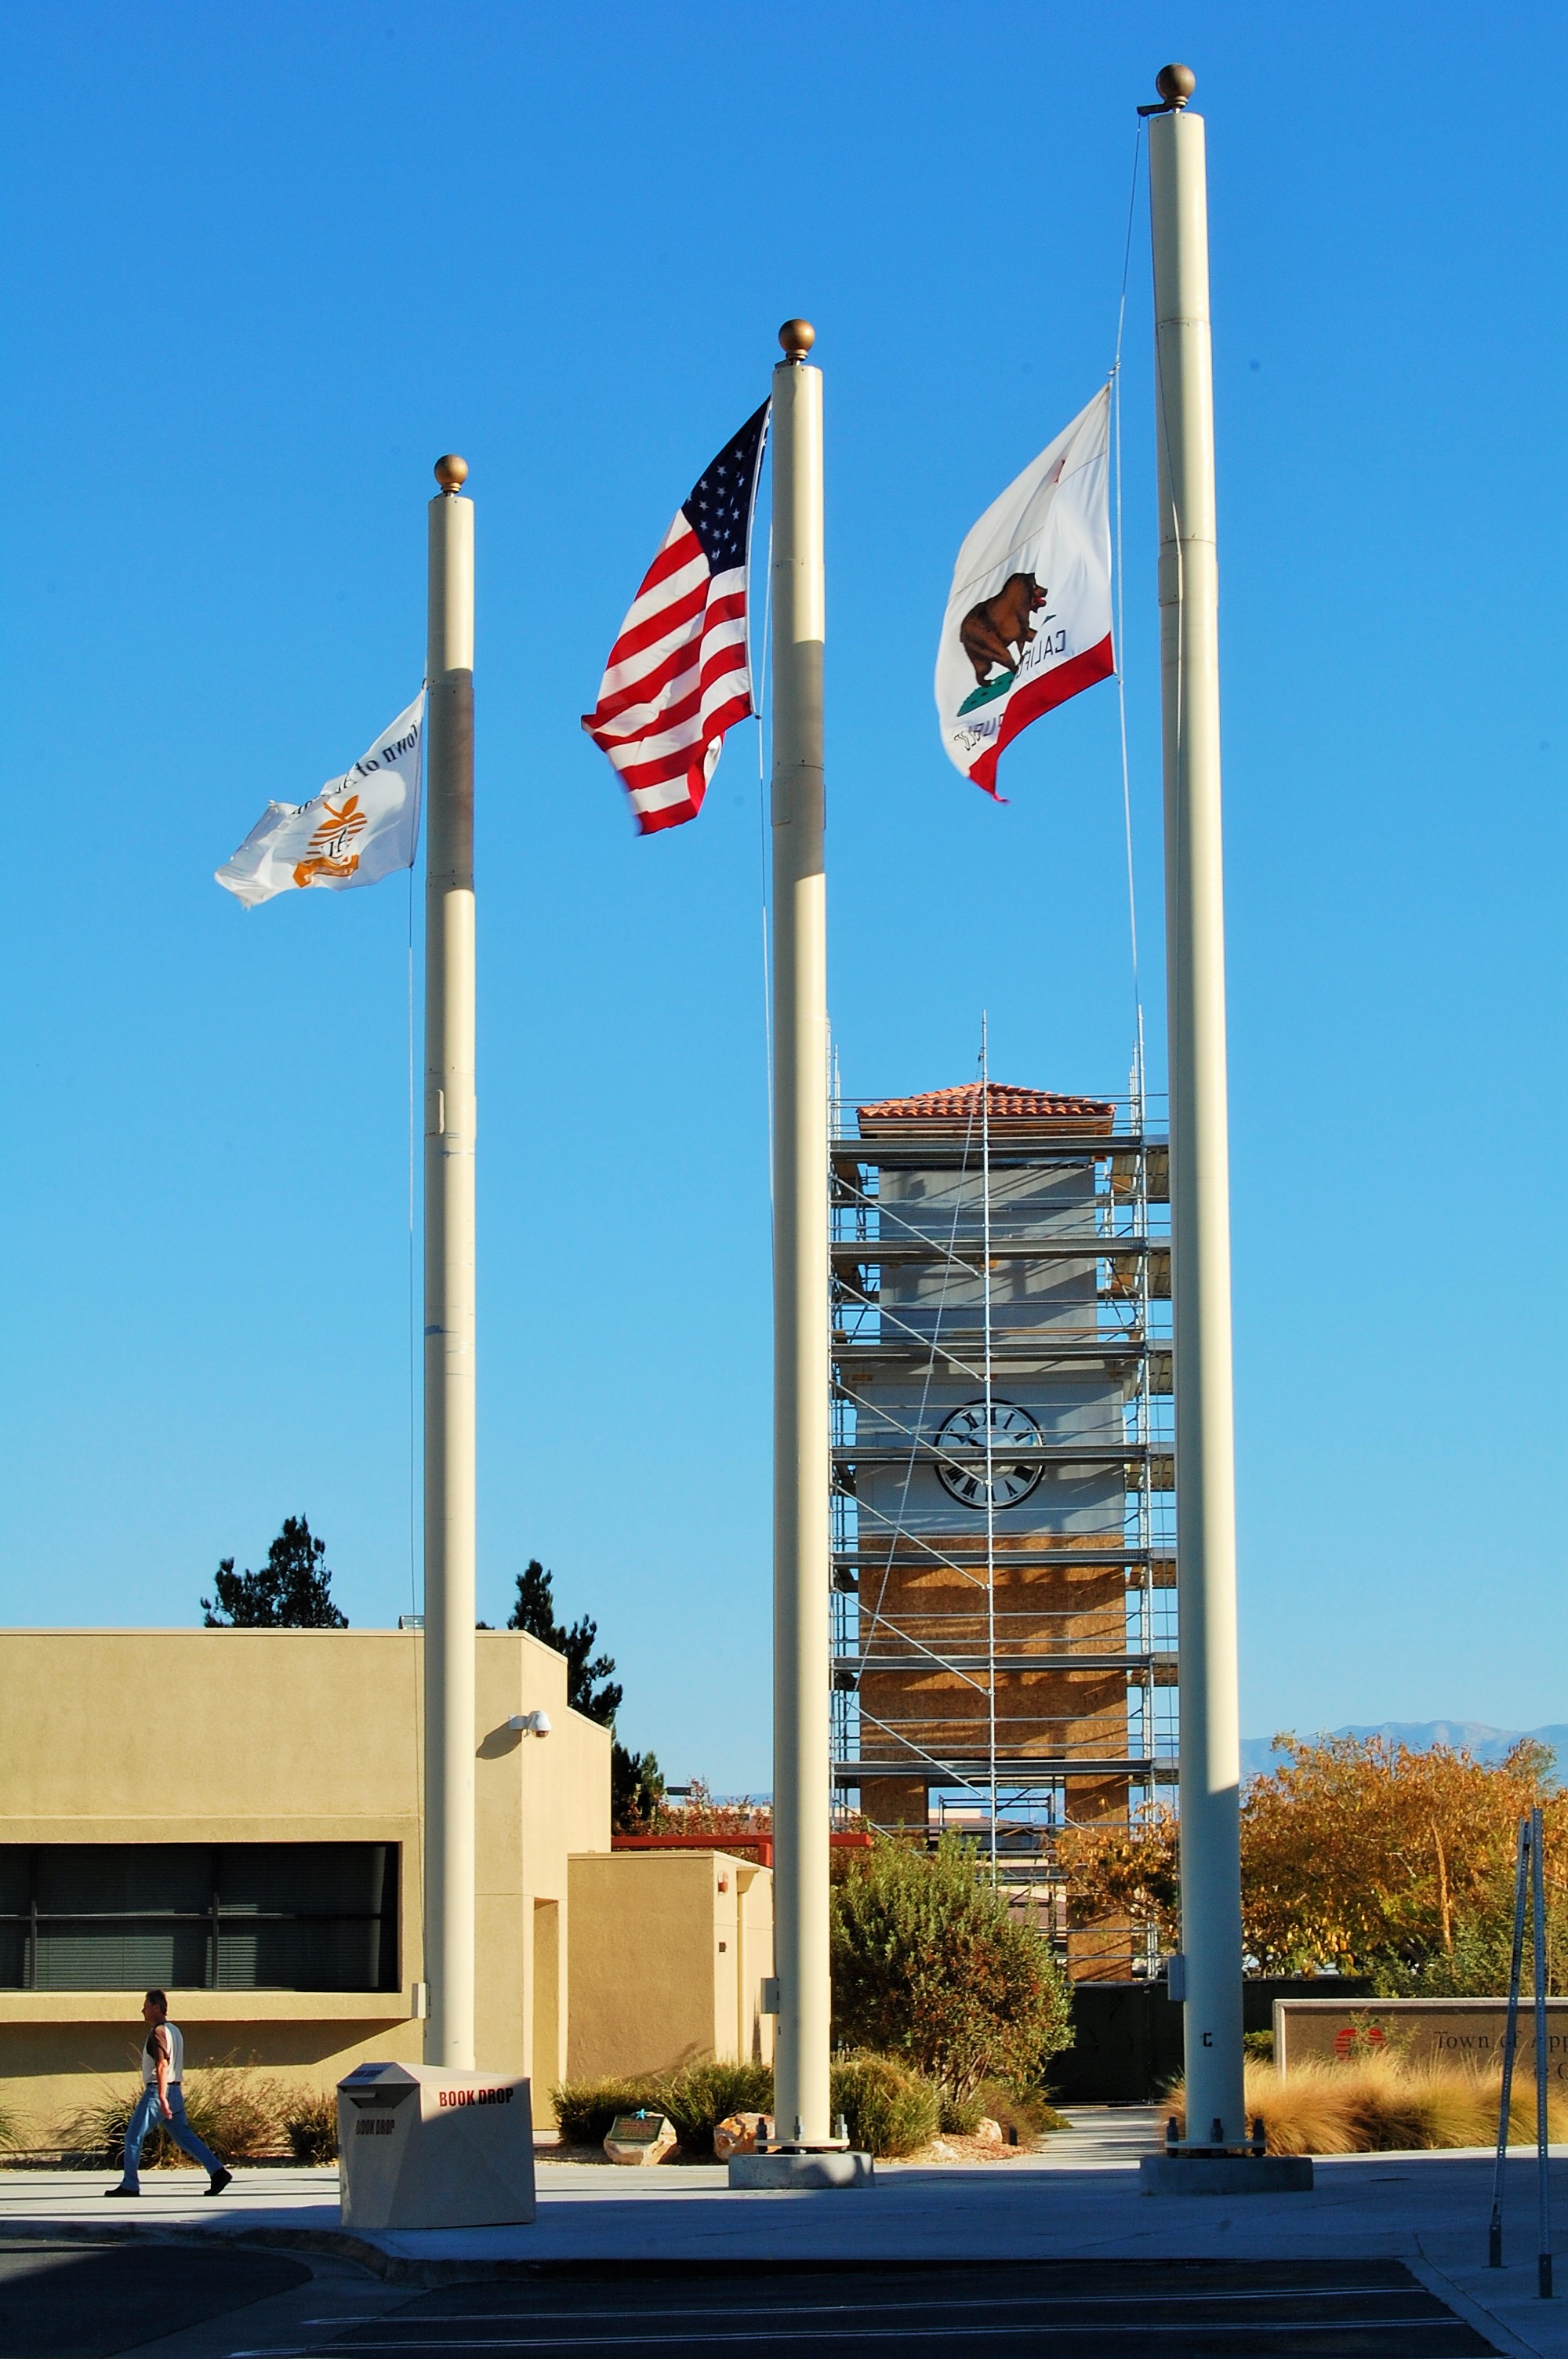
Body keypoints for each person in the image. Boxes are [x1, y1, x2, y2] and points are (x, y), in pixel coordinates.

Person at [104, 1990, 233, 2197]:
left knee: (133, 2137)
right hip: (176, 2091)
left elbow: (162, 2066)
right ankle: (218, 2172)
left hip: (158, 2091)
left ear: (156, 2007)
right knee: (185, 2137)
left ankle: (130, 2185)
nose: (142, 2011)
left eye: (146, 2006)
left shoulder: (158, 2033)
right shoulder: (175, 2031)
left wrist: (162, 2098)